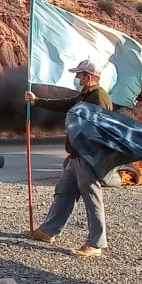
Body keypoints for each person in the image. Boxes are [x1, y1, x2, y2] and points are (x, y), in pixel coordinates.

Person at [22, 59, 113, 258]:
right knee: (64, 192)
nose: (76, 77)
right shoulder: (85, 95)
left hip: (87, 157)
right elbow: (66, 104)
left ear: (88, 77)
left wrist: (91, 154)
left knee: (92, 198)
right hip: (75, 157)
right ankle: (48, 231)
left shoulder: (99, 98)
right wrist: (37, 100)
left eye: (80, 75)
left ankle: (96, 243)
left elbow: (103, 130)